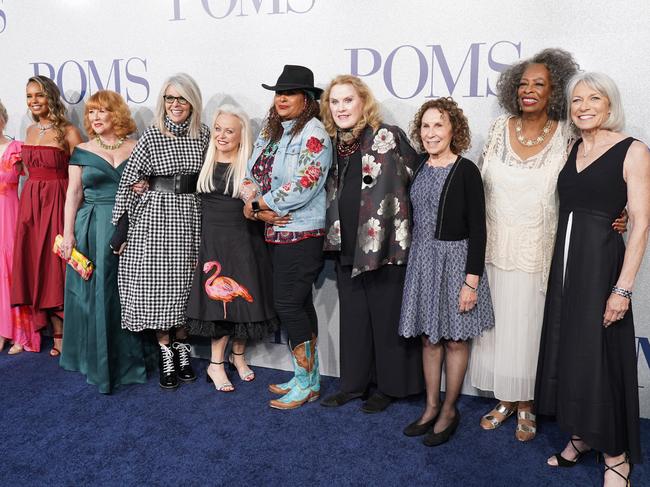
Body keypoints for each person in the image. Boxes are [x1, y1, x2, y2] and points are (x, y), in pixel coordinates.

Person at [535, 72, 649, 486]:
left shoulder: (633, 150)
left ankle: (617, 455)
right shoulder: (571, 147)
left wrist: (622, 288)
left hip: (601, 266)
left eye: (593, 98)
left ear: (609, 104)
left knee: (599, 357)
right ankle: (580, 436)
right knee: (571, 353)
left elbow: (639, 224)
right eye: (577, 100)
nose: (583, 106)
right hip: (565, 266)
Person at [467, 49, 580, 441]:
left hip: (538, 252)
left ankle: (527, 403)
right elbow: (477, 186)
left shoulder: (568, 134)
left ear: (555, 92)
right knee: (497, 329)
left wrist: (617, 215)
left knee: (531, 329)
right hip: (495, 247)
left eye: (539, 84)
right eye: (523, 83)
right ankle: (505, 399)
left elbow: (582, 188)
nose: (528, 90)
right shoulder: (499, 129)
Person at [318, 75, 423, 413]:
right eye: (334, 102)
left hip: (385, 246)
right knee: (355, 320)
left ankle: (389, 388)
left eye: (347, 100)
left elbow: (417, 175)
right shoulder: (331, 144)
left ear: (363, 102)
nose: (340, 108)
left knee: (385, 317)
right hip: (345, 245)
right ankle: (353, 385)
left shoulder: (387, 136)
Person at [399, 98, 494, 446]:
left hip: (456, 263)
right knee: (429, 338)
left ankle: (450, 410)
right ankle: (431, 406)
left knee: (455, 340)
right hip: (423, 261)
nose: (431, 132)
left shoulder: (466, 170)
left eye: (438, 125)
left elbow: (479, 230)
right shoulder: (420, 165)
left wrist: (471, 281)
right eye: (425, 125)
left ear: (454, 129)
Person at [242, 65, 332, 410]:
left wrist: (262, 203)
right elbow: (250, 174)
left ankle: (308, 382)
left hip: (302, 232)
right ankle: (305, 379)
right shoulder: (272, 133)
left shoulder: (314, 133)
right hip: (276, 231)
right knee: (299, 305)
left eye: (289, 93)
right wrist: (253, 204)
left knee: (289, 304)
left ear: (306, 99)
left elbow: (307, 182)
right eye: (278, 93)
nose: (281, 98)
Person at [112, 73, 210, 389]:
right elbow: (129, 182)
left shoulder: (205, 135)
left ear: (192, 101)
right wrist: (121, 231)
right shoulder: (152, 137)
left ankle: (183, 350)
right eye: (170, 98)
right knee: (159, 290)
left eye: (181, 98)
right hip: (156, 220)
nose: (175, 104)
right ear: (162, 102)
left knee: (184, 289)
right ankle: (166, 353)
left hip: (192, 217)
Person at [59, 90, 150, 393]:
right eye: (91, 113)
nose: (95, 118)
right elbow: (73, 195)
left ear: (116, 115)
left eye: (102, 112)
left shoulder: (137, 147)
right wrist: (68, 233)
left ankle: (134, 358)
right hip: (93, 228)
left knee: (131, 292)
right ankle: (99, 361)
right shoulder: (82, 151)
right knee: (97, 294)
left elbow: (150, 187)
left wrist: (144, 186)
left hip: (131, 226)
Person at [186, 104, 277, 392]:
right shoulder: (203, 158)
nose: (222, 136)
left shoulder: (249, 165)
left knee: (242, 302)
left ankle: (238, 357)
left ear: (241, 136)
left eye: (229, 131)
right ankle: (215, 364)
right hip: (213, 240)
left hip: (244, 240)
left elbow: (259, 202)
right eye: (218, 129)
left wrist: (255, 196)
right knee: (218, 305)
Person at [11, 75, 82, 356]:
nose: (34, 101)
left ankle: (72, 334)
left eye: (38, 95)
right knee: (39, 266)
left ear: (50, 96)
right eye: (29, 96)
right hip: (31, 205)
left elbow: (80, 176)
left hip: (58, 201)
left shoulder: (69, 132)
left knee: (58, 269)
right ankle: (57, 334)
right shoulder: (28, 131)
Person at [0, 99, 36, 353]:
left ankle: (19, 333)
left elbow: (35, 180)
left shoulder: (16, 148)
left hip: (11, 213)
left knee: (13, 270)